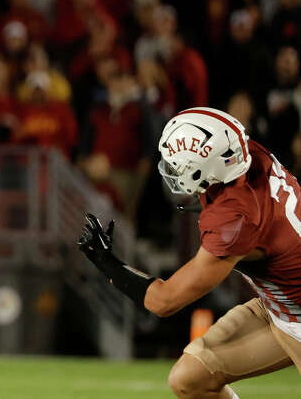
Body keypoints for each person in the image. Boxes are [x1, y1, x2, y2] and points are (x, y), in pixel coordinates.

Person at [76, 106, 301, 399]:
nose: (171, 171)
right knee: (190, 378)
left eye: (176, 166)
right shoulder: (248, 156)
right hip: (280, 307)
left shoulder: (235, 219)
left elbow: (164, 301)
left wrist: (107, 263)